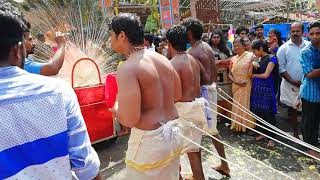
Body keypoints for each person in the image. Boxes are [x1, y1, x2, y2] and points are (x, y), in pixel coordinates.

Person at [0, 4, 101, 179]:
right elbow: (85, 166)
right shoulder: (59, 93)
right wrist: (62, 45)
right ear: (17, 50)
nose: (31, 43)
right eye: (27, 40)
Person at [109, 13, 185, 180]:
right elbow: (178, 94)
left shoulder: (127, 67)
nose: (110, 40)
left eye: (111, 35)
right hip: (174, 132)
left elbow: (129, 120)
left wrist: (115, 109)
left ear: (122, 35)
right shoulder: (162, 59)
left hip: (151, 141)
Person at [182, 18, 230, 177]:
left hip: (203, 94)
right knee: (213, 130)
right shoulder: (207, 46)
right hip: (211, 90)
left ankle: (198, 175)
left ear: (189, 33)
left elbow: (200, 76)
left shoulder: (193, 52)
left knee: (193, 135)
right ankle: (224, 164)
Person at [167, 25, 206, 180]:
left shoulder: (173, 64)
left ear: (169, 43)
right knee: (194, 152)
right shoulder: (192, 59)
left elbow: (174, 96)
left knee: (173, 155)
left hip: (182, 112)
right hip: (197, 107)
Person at [277, 22, 310, 138]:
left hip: (308, 84)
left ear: (303, 32)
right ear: (290, 32)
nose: (295, 33)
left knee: (307, 110)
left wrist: (306, 80)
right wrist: (292, 81)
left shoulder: (309, 46)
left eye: (297, 31)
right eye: (293, 31)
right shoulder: (283, 48)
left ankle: (307, 134)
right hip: (289, 85)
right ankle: (295, 134)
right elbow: (281, 68)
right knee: (292, 110)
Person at [250, 40, 278, 147]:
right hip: (257, 89)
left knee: (268, 113)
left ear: (261, 48)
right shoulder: (259, 59)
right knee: (258, 112)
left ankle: (272, 138)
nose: (254, 53)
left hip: (267, 89)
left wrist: (254, 76)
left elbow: (266, 75)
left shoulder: (272, 58)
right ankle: (263, 133)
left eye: (255, 51)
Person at [299, 20, 320, 159]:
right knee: (309, 122)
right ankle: (310, 148)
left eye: (318, 33)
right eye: (312, 34)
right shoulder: (305, 52)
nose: (315, 36)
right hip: (311, 94)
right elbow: (310, 74)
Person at [229, 38, 255, 132]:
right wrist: (236, 82)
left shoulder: (251, 56)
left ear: (244, 46)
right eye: (234, 46)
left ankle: (246, 126)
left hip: (246, 84)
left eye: (238, 45)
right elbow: (229, 74)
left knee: (245, 104)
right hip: (237, 85)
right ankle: (236, 125)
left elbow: (253, 71)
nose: (236, 47)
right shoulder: (233, 58)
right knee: (237, 104)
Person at [209, 29, 233, 120]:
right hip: (214, 76)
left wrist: (219, 62)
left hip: (225, 75)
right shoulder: (208, 49)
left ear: (221, 38)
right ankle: (217, 115)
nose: (215, 39)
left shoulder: (226, 48)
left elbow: (231, 59)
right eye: (213, 37)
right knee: (216, 96)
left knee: (226, 94)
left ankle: (226, 114)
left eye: (217, 37)